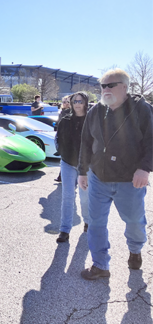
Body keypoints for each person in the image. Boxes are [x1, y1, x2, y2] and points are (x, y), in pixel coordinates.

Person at [78, 68, 153, 280]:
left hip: (129, 180)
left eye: (110, 85)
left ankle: (135, 250)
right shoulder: (96, 111)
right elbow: (86, 142)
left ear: (124, 87)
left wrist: (145, 168)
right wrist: (82, 171)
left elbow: (151, 141)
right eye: (103, 85)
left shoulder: (141, 109)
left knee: (134, 220)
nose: (105, 89)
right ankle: (100, 265)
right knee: (96, 222)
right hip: (98, 178)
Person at [54, 91, 90, 243]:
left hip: (87, 165)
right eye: (74, 101)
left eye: (80, 101)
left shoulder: (91, 120)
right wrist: (62, 153)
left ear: (85, 103)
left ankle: (88, 222)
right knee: (68, 196)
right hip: (68, 162)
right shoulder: (65, 120)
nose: (77, 104)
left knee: (85, 197)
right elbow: (58, 138)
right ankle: (64, 230)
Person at [54, 95, 72, 182]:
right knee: (64, 158)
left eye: (67, 102)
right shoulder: (62, 111)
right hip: (60, 135)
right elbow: (59, 122)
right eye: (64, 102)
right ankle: (61, 177)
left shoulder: (70, 112)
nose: (65, 103)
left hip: (67, 137)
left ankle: (62, 177)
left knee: (65, 159)